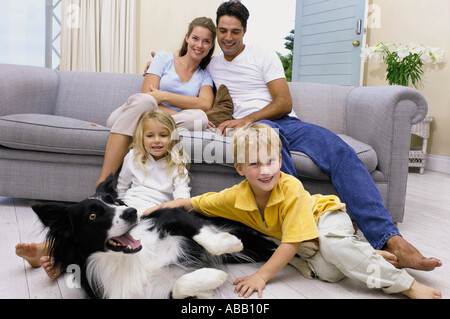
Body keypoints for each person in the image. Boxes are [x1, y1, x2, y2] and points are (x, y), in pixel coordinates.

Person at [144, 0, 440, 271]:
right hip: (259, 131)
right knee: (270, 149)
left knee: (338, 151)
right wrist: (159, 62)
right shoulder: (212, 63)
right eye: (222, 31)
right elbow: (187, 61)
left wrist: (246, 118)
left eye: (235, 31)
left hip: (285, 120)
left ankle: (391, 239)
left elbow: (284, 102)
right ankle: (304, 232)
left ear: (245, 31)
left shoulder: (262, 54)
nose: (228, 38)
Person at [143, 123, 442, 299]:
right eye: (255, 164)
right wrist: (153, 210)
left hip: (324, 217)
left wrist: (261, 276)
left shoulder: (291, 189)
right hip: (308, 240)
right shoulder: (234, 197)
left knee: (334, 245)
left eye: (271, 161)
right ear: (240, 168)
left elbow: (291, 243)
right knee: (326, 272)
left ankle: (407, 285)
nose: (266, 170)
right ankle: (364, 254)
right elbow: (192, 202)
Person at [16, 110, 191, 278]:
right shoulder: (133, 156)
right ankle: (46, 249)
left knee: (128, 240)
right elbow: (121, 189)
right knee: (95, 233)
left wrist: (158, 211)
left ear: (172, 137)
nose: (157, 141)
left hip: (155, 211)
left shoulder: (177, 163)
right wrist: (117, 210)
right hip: (129, 207)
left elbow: (183, 199)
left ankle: (62, 263)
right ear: (141, 137)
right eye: (150, 135)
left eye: (163, 135)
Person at [95, 16, 216, 187]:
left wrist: (164, 95)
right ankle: (102, 183)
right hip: (138, 113)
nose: (199, 45)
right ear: (187, 37)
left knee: (200, 118)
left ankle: (125, 133)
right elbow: (148, 96)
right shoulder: (163, 58)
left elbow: (205, 104)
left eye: (206, 41)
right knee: (145, 101)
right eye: (195, 38)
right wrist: (166, 103)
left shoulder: (204, 75)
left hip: (161, 123)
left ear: (211, 46)